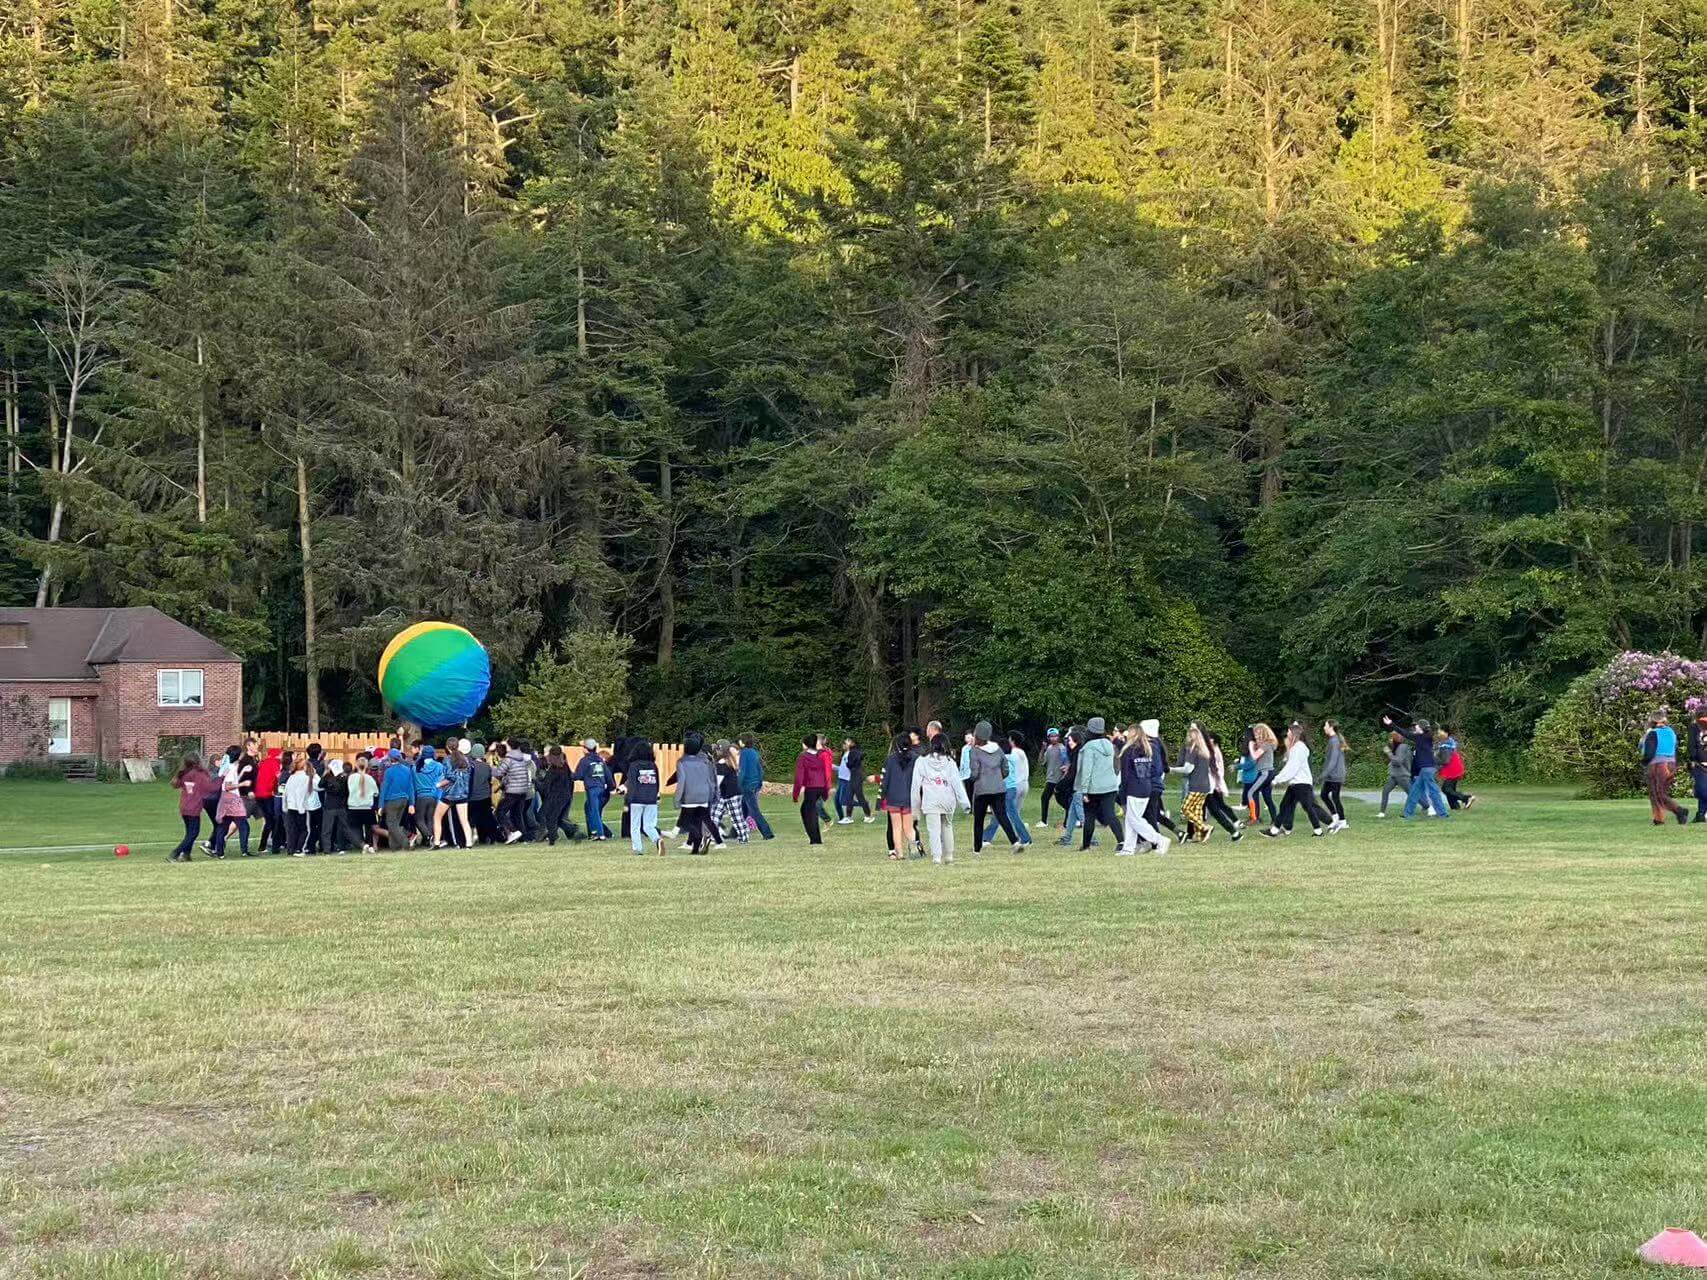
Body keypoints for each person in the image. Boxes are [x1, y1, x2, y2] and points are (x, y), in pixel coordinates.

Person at [911, 733, 970, 864]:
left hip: (931, 799)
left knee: (934, 830)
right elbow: (957, 784)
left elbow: (915, 785)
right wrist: (965, 803)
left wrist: (914, 806)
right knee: (947, 826)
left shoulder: (921, 760)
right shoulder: (950, 762)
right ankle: (949, 856)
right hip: (948, 799)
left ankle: (936, 858)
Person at [1263, 722, 1328, 837]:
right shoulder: (1298, 748)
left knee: (1308, 807)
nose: (1287, 733)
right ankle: (1274, 831)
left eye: (1289, 731)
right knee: (1286, 806)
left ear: (1294, 734)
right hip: (1297, 783)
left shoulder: (1298, 748)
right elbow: (1291, 767)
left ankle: (1318, 831)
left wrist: (1277, 779)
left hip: (1300, 784)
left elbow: (1291, 769)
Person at [968, 720, 1023, 854]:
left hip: (982, 790)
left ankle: (977, 850)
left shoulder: (975, 751)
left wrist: (972, 781)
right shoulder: (997, 749)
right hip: (999, 788)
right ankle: (1015, 842)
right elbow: (1005, 769)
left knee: (979, 820)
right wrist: (998, 778)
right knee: (1002, 816)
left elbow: (974, 772)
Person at [1117, 725, 1171, 856]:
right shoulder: (1146, 749)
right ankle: (1128, 848)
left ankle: (1159, 839)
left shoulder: (1128, 750)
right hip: (1146, 787)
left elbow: (1125, 775)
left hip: (1134, 788)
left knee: (1135, 819)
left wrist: (1122, 792)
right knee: (1131, 818)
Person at [1383, 714, 1449, 819]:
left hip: (1427, 768)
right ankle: (1407, 813)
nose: (1415, 727)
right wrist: (1391, 724)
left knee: (1433, 791)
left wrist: (1429, 725)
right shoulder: (1418, 737)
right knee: (1414, 791)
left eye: (1417, 726)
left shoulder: (1427, 737)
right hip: (1423, 769)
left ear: (1422, 728)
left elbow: (1433, 731)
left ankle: (1443, 814)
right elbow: (1403, 732)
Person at [1074, 717, 1122, 851]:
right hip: (1110, 785)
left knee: (1089, 815)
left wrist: (1084, 790)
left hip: (1094, 788)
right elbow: (1115, 765)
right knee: (1110, 815)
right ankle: (1122, 841)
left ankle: (1086, 845)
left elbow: (1086, 770)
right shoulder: (1109, 745)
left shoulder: (1089, 747)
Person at [1169, 723, 1219, 843]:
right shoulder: (1204, 748)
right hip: (1205, 785)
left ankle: (1204, 828)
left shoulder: (1193, 749)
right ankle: (1200, 835)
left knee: (1186, 809)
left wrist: (1172, 769)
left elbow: (1188, 769)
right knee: (1197, 810)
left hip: (1196, 785)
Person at [672, 731, 719, 854]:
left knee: (693, 819)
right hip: (707, 791)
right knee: (700, 818)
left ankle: (697, 841)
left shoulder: (696, 758)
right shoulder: (707, 757)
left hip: (695, 793)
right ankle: (695, 842)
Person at [983, 730, 1032, 848]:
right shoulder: (1016, 755)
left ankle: (1025, 838)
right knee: (1004, 813)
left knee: (1009, 814)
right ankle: (986, 838)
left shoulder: (1007, 757)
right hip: (1016, 786)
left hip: (1008, 789)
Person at [1641, 709, 1690, 826]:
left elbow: (1649, 752)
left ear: (1652, 720)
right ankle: (1660, 818)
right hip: (1671, 764)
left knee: (1655, 793)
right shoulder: (1671, 732)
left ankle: (1677, 811)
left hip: (1657, 764)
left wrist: (1644, 762)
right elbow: (1674, 747)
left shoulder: (1653, 733)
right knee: (1661, 792)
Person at [880, 733, 920, 860]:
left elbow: (885, 780)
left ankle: (899, 853)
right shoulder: (916, 758)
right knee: (909, 828)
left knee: (896, 828)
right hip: (909, 797)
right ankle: (914, 851)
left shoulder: (890, 759)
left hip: (893, 797)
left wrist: (881, 798)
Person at [169, 755, 216, 862]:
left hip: (184, 806)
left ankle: (186, 854)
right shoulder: (200, 774)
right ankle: (175, 853)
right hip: (194, 806)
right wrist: (221, 779)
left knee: (189, 832)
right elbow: (209, 788)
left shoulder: (185, 773)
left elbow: (176, 784)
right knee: (193, 833)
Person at [625, 742, 664, 855]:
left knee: (635, 826)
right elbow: (657, 782)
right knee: (649, 826)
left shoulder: (634, 765)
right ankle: (657, 839)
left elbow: (632, 783)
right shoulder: (653, 765)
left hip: (637, 799)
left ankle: (638, 849)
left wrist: (628, 798)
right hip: (651, 799)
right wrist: (657, 795)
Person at [536, 748, 581, 845]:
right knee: (558, 818)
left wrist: (535, 782)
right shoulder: (565, 767)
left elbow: (545, 787)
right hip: (566, 796)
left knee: (548, 816)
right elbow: (570, 781)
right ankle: (574, 831)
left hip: (555, 797)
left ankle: (552, 839)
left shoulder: (553, 770)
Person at [1204, 731, 1244, 838]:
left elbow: (1218, 769)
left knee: (1218, 808)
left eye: (1210, 738)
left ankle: (1234, 826)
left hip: (1214, 783)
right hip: (1214, 783)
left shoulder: (1215, 751)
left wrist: (1218, 783)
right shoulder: (1213, 750)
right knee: (1218, 806)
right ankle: (1235, 825)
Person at [377, 747, 417, 850]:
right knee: (395, 824)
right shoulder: (407, 770)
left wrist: (381, 805)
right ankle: (394, 847)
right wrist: (412, 803)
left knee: (391, 824)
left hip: (391, 800)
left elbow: (384, 789)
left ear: (390, 759)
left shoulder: (388, 772)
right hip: (404, 800)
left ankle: (405, 842)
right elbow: (411, 787)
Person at [736, 735, 774, 840]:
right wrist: (759, 783)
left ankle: (767, 833)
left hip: (746, 785)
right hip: (754, 784)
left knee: (754, 811)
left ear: (743, 742)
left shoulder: (743, 753)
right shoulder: (754, 752)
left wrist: (738, 784)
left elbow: (742, 771)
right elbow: (760, 770)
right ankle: (736, 832)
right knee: (743, 809)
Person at [792, 734, 827, 846]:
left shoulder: (803, 757)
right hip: (821, 787)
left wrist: (795, 794)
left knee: (809, 812)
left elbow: (799, 777)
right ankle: (815, 838)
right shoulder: (820, 755)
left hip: (812, 787)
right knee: (809, 811)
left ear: (806, 744)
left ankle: (815, 840)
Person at [495, 740, 533, 843]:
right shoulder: (522, 758)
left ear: (510, 747)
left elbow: (498, 773)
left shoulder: (509, 759)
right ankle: (523, 837)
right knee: (517, 814)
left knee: (500, 811)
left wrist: (491, 769)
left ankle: (513, 831)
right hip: (523, 790)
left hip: (512, 790)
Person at [434, 745, 472, 848]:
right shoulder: (466, 760)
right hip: (463, 793)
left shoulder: (447, 760)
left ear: (447, 747)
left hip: (450, 794)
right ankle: (469, 843)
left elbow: (451, 776)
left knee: (437, 816)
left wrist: (439, 784)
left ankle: (437, 842)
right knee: (464, 820)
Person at [711, 742, 748, 845]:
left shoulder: (722, 764)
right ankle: (713, 836)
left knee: (736, 817)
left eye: (718, 749)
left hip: (732, 794)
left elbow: (717, 782)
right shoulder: (729, 761)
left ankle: (743, 837)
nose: (716, 751)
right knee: (714, 815)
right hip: (724, 794)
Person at [575, 740, 612, 840]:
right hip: (602, 788)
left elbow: (578, 775)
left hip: (592, 789)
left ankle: (600, 834)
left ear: (586, 749)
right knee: (589, 808)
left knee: (594, 811)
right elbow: (607, 775)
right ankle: (593, 832)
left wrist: (568, 775)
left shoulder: (585, 760)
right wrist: (612, 787)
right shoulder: (600, 760)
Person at [321, 759, 359, 853]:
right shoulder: (344, 778)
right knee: (346, 828)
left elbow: (320, 784)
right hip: (341, 806)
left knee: (327, 829)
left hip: (329, 806)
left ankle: (327, 849)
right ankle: (360, 844)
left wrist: (326, 773)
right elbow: (347, 791)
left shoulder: (328, 777)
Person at [282, 756, 316, 855]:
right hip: (300, 807)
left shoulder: (291, 777)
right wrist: (301, 807)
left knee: (292, 829)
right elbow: (301, 793)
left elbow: (285, 793)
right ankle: (299, 848)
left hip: (291, 806)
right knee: (304, 830)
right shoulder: (305, 778)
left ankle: (291, 849)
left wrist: (285, 806)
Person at [1434, 728, 1475, 811]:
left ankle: (1466, 798)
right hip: (1455, 767)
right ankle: (1455, 807)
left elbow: (1445, 760)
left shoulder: (1445, 744)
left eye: (1440, 732)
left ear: (1446, 733)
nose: (1438, 734)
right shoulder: (1449, 741)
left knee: (1446, 789)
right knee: (1450, 789)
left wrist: (1433, 759)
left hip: (1452, 769)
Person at [1247, 724, 1280, 826]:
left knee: (1251, 793)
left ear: (1263, 733)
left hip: (1265, 773)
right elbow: (1257, 759)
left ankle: (1254, 819)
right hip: (1268, 773)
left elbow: (1254, 756)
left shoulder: (1266, 744)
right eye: (1255, 733)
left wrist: (1250, 746)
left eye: (1258, 733)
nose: (1256, 735)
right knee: (1267, 797)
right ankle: (1275, 820)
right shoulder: (1266, 744)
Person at [1320, 720, 1348, 832]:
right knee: (1324, 795)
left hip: (1336, 775)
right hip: (1331, 775)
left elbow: (1333, 761)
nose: (1324, 727)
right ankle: (1336, 817)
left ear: (1331, 727)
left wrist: (1323, 774)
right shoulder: (1332, 739)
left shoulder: (1335, 741)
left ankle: (1343, 821)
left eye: (1325, 725)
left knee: (1335, 797)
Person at [254, 745, 284, 853]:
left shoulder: (263, 762)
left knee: (269, 820)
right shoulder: (275, 763)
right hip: (267, 794)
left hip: (258, 794)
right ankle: (267, 844)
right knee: (272, 821)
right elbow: (278, 776)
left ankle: (267, 844)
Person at [837, 737, 872, 824]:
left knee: (860, 796)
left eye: (848, 741)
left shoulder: (855, 752)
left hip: (857, 776)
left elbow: (850, 764)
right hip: (852, 776)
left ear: (853, 743)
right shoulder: (850, 753)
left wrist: (847, 761)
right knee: (849, 797)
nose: (846, 742)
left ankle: (868, 816)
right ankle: (848, 817)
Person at [348, 753, 379, 852]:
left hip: (353, 806)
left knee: (355, 829)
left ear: (356, 765)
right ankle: (369, 845)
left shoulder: (351, 778)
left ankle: (361, 844)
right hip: (367, 807)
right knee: (368, 828)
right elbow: (376, 793)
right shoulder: (370, 779)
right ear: (367, 766)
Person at [1377, 731, 1412, 818]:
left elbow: (1397, 761)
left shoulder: (1402, 747)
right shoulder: (1397, 748)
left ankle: (1427, 806)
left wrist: (1388, 753)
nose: (1389, 740)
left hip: (1402, 775)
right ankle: (1382, 813)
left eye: (1391, 738)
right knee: (1385, 791)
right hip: (1394, 775)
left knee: (1412, 794)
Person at [1038, 729, 1068, 827]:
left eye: (1055, 736)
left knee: (1062, 801)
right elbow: (1041, 761)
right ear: (1048, 737)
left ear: (1058, 737)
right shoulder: (1049, 748)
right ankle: (1044, 821)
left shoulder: (1062, 748)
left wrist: (1063, 778)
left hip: (1058, 779)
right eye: (1051, 736)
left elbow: (1066, 763)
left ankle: (1068, 821)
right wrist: (1043, 748)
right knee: (1045, 798)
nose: (1053, 738)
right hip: (1050, 778)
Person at [467, 744, 494, 844]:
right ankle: (488, 837)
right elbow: (489, 780)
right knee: (486, 818)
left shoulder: (470, 766)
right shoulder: (487, 767)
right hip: (485, 796)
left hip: (472, 797)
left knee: (472, 818)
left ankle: (474, 836)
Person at [1689, 709, 1707, 823]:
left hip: (1701, 762)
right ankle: (1701, 814)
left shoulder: (1694, 727)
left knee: (1702, 789)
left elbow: (1691, 746)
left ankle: (1701, 813)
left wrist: (1693, 758)